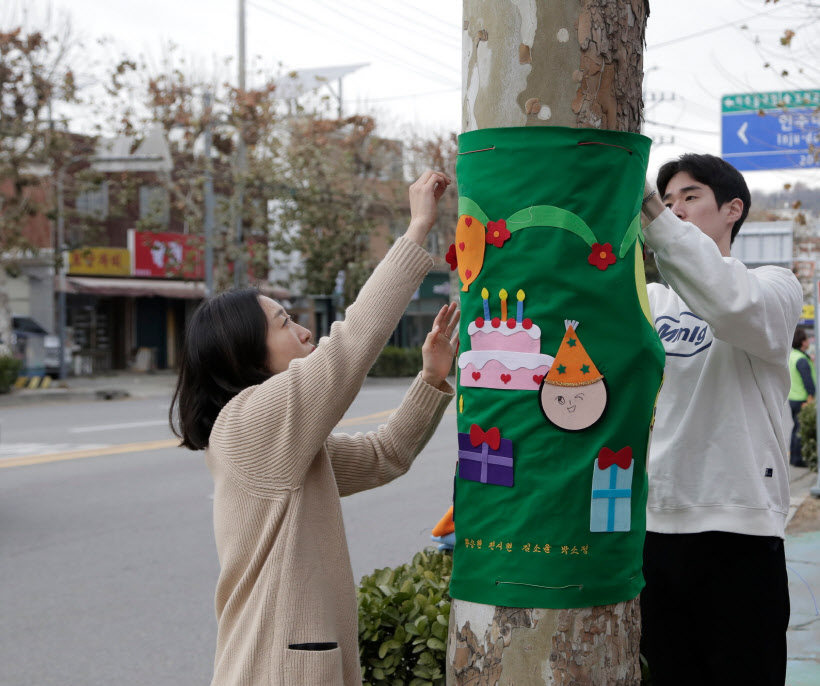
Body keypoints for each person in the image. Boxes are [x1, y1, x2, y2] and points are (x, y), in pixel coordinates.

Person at [170, 170, 458, 686]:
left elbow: (384, 455)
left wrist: (431, 379)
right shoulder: (250, 424)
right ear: (244, 352)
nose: (304, 330)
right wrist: (417, 232)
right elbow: (347, 350)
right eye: (284, 322)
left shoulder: (281, 442)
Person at [638, 154, 802, 686]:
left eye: (690, 197)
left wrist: (657, 225)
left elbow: (728, 304)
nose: (674, 209)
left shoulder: (774, 288)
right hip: (655, 529)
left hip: (740, 529)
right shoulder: (652, 300)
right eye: (666, 201)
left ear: (733, 210)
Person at [789, 326, 815, 467]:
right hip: (803, 399)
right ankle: (798, 459)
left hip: (793, 397)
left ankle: (794, 457)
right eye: (806, 338)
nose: (808, 341)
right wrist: (811, 396)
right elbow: (808, 381)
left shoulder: (793, 355)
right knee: (801, 429)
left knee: (796, 428)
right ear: (802, 342)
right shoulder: (802, 359)